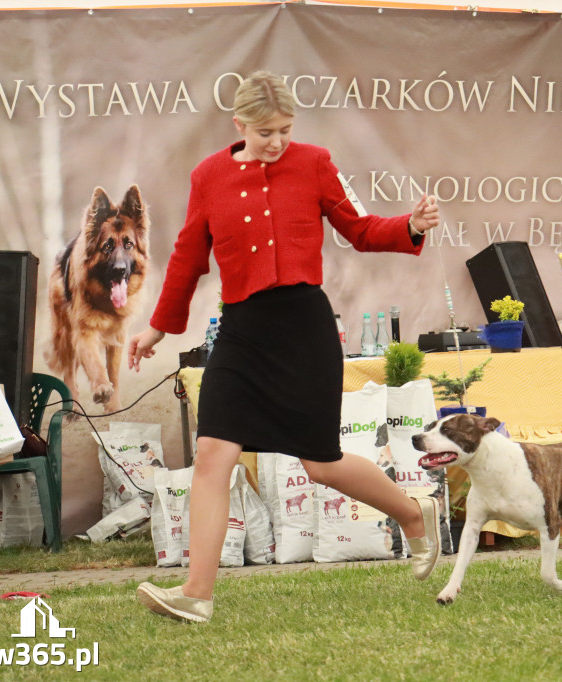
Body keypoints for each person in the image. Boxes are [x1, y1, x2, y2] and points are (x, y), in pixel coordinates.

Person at [128, 72, 443, 623]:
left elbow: (361, 229)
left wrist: (410, 226)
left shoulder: (315, 162)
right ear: (239, 125)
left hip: (303, 328)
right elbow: (186, 256)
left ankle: (415, 514)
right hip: (242, 330)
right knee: (212, 456)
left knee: (320, 463)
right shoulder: (208, 176)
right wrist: (158, 326)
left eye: (286, 131)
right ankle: (196, 594)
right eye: (266, 131)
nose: (277, 142)